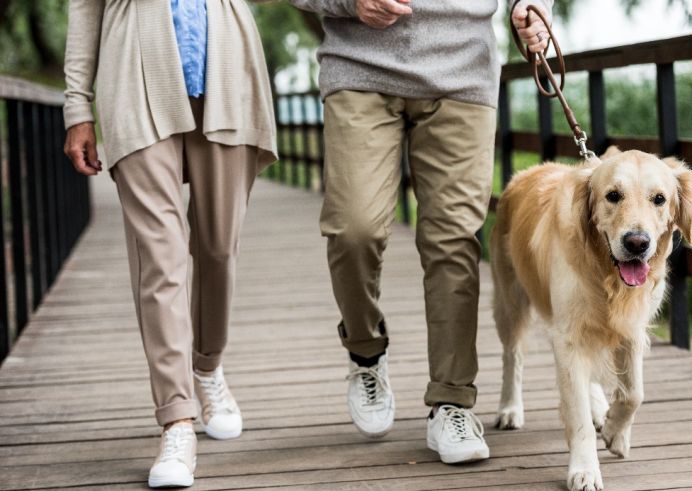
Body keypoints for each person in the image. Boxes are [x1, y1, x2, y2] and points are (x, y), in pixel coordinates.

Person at [290, 0, 553, 464]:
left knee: (453, 240)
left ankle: (452, 400)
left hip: (463, 73)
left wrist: (532, 6)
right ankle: (365, 350)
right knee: (354, 229)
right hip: (359, 69)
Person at [63, 0, 277, 487]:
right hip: (134, 72)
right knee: (161, 258)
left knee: (219, 249)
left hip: (226, 70)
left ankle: (208, 366)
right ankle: (177, 420)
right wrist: (77, 106)